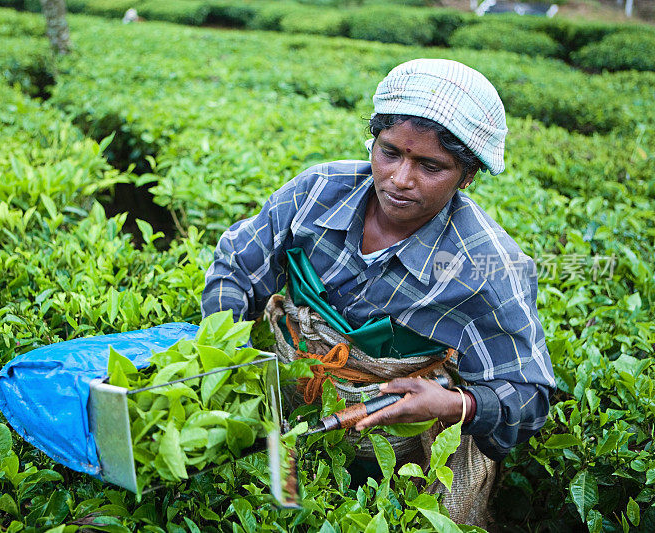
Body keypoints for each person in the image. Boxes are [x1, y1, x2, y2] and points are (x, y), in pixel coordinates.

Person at [201, 59, 554, 471]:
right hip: (283, 405)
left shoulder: (486, 266)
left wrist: (457, 405)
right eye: (389, 152)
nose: (400, 179)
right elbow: (237, 266)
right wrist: (226, 353)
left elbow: (530, 398)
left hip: (389, 463)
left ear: (467, 175)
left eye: (430, 166)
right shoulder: (316, 193)